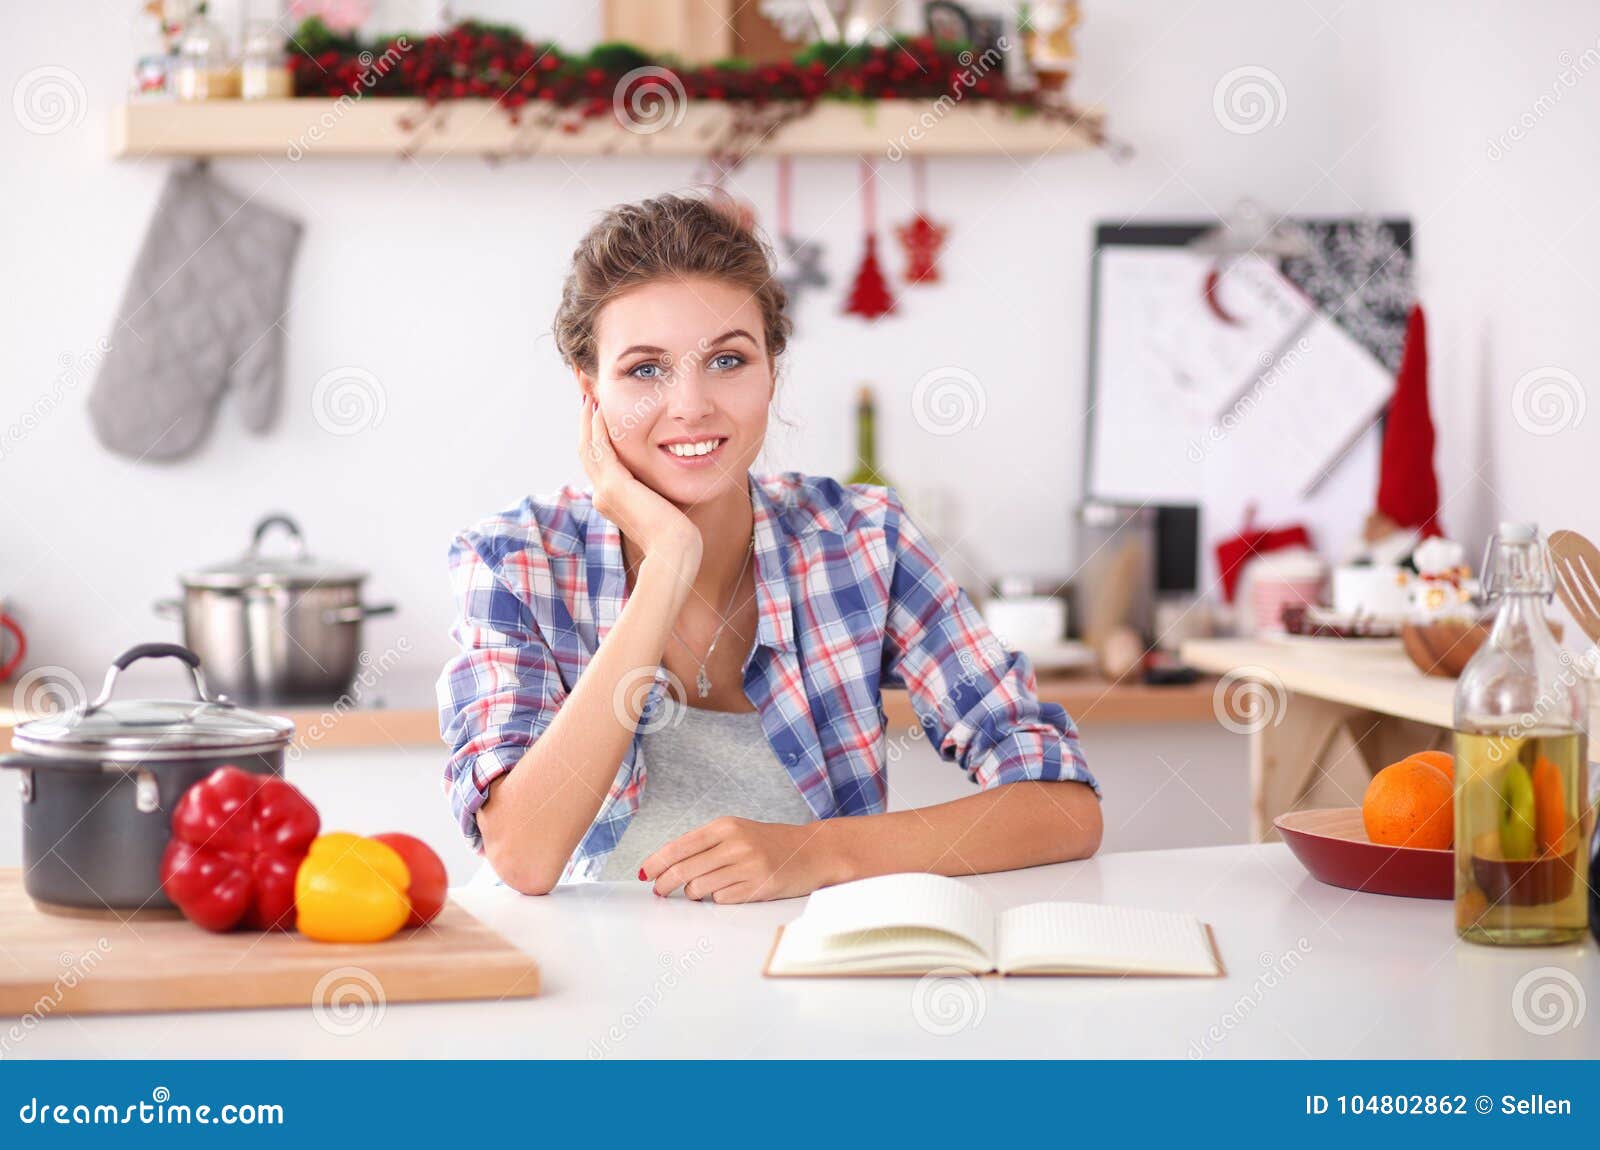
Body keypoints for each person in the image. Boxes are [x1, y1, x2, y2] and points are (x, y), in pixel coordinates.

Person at [436, 192, 1100, 903]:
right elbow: (525, 858)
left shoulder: (861, 540)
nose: (691, 405)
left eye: (727, 359)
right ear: (588, 388)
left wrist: (818, 854)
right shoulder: (513, 560)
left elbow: (1063, 808)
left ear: (771, 374)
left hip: (807, 981)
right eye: (645, 369)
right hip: (587, 987)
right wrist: (667, 564)